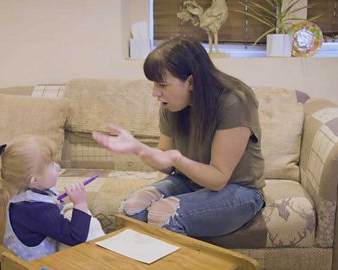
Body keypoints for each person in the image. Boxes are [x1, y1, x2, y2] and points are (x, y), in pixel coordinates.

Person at [92, 36, 265, 238]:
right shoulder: (171, 105)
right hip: (190, 181)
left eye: (162, 85)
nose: (155, 92)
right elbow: (166, 162)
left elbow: (218, 179)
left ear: (190, 81)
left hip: (240, 190)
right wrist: (137, 148)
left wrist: (177, 158)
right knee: (133, 207)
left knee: (164, 214)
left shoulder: (234, 102)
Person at [0, 135, 104, 261]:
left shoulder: (17, 194)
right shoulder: (37, 210)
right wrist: (80, 204)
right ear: (34, 180)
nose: (57, 167)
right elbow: (75, 237)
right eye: (52, 164)